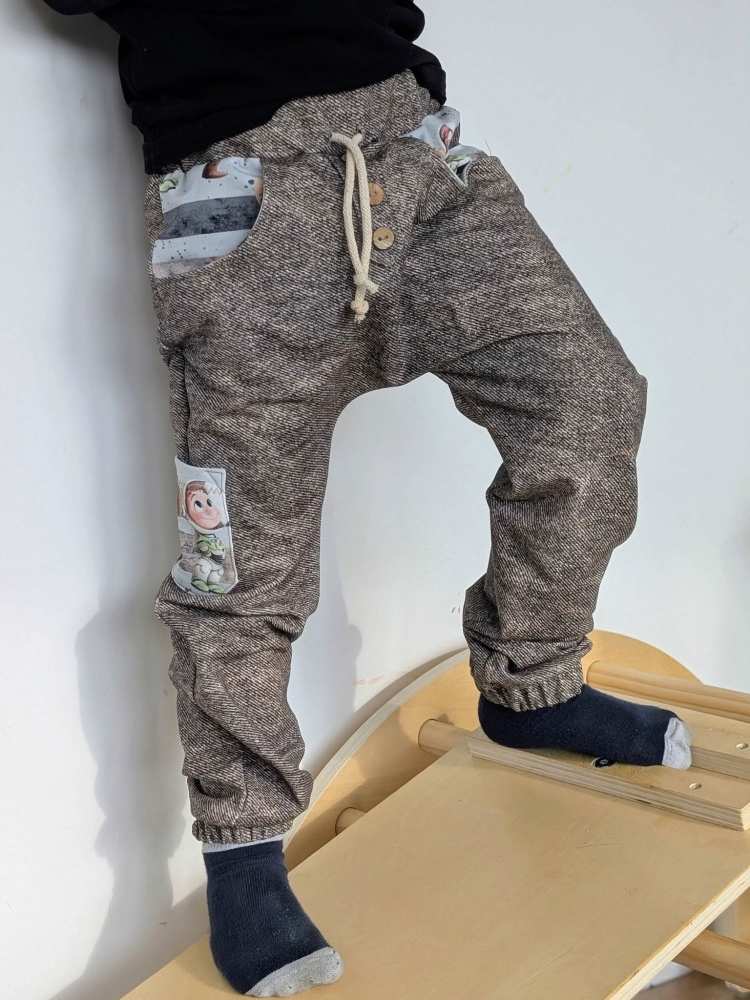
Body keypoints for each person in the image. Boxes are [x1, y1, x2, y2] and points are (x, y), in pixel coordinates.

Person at [41, 2, 692, 995]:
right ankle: (244, 852)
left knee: (587, 407)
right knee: (240, 563)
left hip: (414, 151)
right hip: (240, 189)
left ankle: (533, 685)